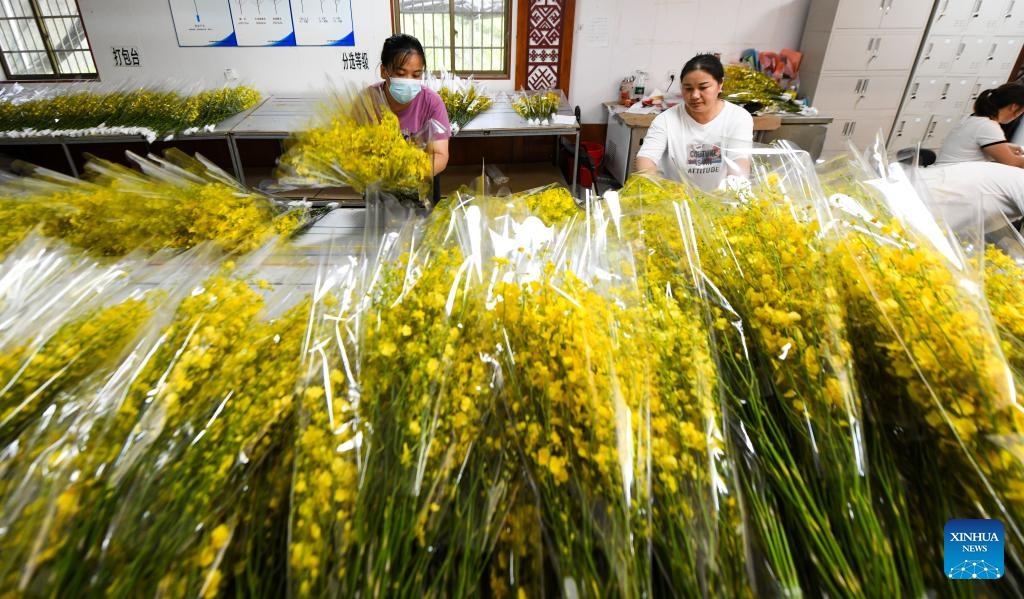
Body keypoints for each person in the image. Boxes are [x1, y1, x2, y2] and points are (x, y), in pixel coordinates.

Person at [635, 54, 754, 191]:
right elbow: (647, 158)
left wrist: (736, 191)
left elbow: (739, 160)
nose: (695, 95)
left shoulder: (738, 117)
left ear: (720, 84)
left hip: (719, 199)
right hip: (674, 199)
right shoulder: (666, 120)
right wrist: (652, 189)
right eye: (688, 88)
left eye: (703, 87)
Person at [371, 34, 451, 176]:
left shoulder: (432, 103)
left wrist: (408, 173)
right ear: (384, 71)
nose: (409, 81)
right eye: (401, 74)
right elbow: (356, 152)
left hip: (418, 181)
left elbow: (440, 155)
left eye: (416, 75)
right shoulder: (367, 101)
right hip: (376, 181)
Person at [935, 82, 1024, 168]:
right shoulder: (988, 126)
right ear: (1014, 107)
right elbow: (1013, 162)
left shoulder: (974, 117)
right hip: (953, 173)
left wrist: (1005, 147)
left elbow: (973, 144)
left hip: (946, 168)